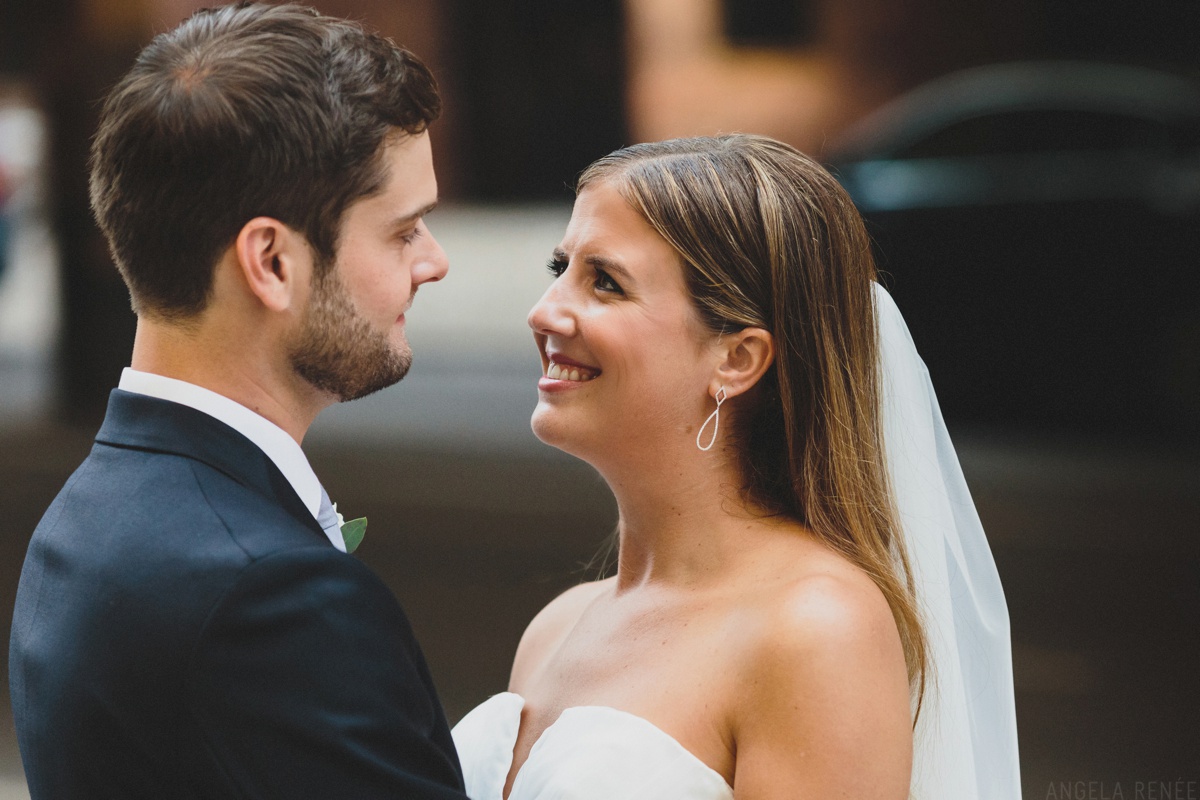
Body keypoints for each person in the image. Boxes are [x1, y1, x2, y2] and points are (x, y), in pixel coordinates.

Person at [451, 135, 1021, 798]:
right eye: (561, 270)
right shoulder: (556, 629)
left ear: (737, 359)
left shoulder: (814, 629)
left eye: (606, 283)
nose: (544, 312)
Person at [9, 5, 467, 798]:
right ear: (271, 262)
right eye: (403, 231)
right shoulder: (275, 598)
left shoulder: (86, 518)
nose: (436, 262)